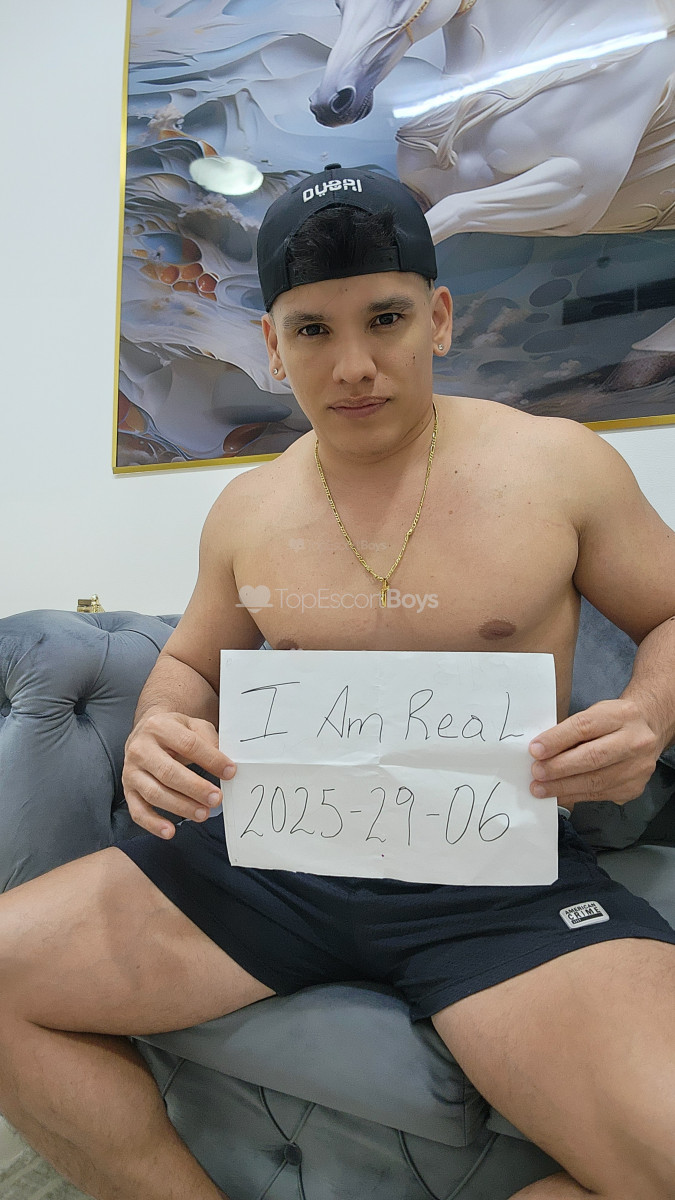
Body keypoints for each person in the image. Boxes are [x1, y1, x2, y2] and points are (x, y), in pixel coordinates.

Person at [1, 164, 675, 1200]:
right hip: (271, 859)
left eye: (386, 319)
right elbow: (190, 664)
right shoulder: (247, 508)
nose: (354, 365)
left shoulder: (560, 466)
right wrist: (158, 729)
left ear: (437, 319)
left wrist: (646, 713)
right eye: (312, 330)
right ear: (272, 348)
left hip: (494, 874)